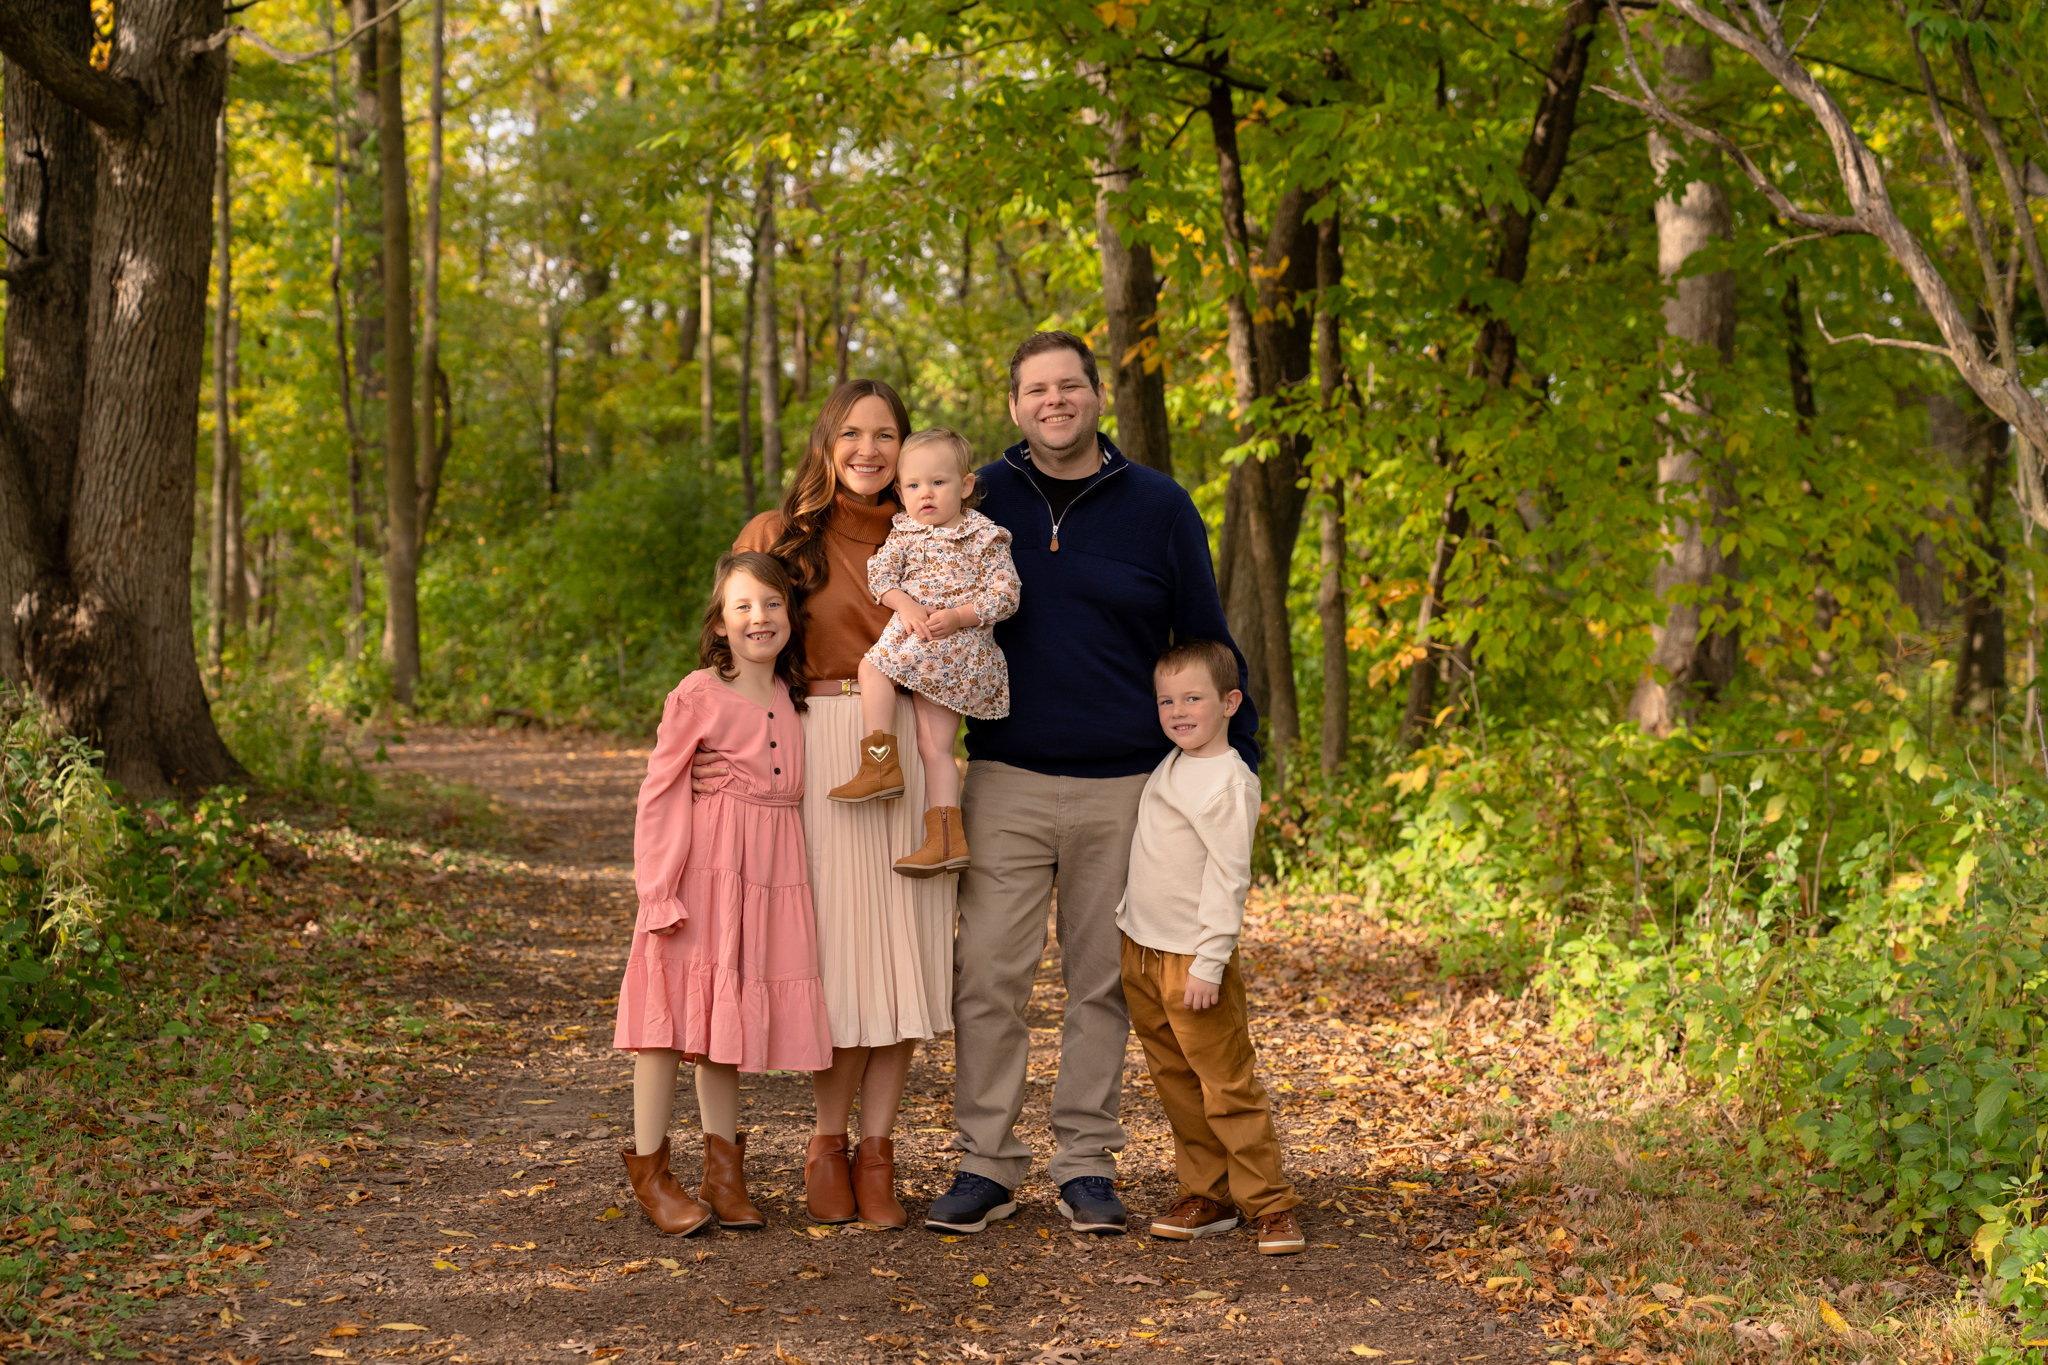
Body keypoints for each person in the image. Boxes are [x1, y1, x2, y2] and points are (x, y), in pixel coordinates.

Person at [927, 332, 1260, 1237]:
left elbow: (1204, 632)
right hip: (1006, 773)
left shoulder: (1158, 505)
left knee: (1100, 982)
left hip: (1129, 789)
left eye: (1069, 385)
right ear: (1014, 404)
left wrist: (1243, 758)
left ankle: (1085, 1163)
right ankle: (986, 1162)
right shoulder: (979, 499)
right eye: (1036, 389)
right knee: (987, 974)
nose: (1055, 401)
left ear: (1097, 393)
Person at [697, 379, 954, 1230]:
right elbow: (732, 644)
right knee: (842, 962)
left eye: (887, 435)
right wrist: (711, 752)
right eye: (853, 434)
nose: (870, 451)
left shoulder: (932, 533)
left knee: (907, 958)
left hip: (912, 744)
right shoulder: (778, 536)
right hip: (819, 745)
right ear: (826, 442)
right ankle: (826, 1140)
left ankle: (879, 1150)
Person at [613, 550, 833, 1237]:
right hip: (702, 871)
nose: (758, 618)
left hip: (768, 876)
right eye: (742, 606)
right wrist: (658, 887)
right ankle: (650, 1172)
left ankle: (724, 1172)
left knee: (721, 1026)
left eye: (771, 604)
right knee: (666, 1023)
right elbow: (660, 790)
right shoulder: (699, 692)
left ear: (791, 617)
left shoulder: (796, 700)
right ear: (720, 622)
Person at [1119, 639, 1304, 1255]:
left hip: (1192, 963)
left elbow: (1230, 878)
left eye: (1193, 697)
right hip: (1143, 952)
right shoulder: (1172, 762)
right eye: (1166, 700)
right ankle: (1208, 1193)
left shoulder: (1227, 781)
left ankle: (1270, 1204)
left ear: (1230, 702)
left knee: (1226, 1085)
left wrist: (1210, 961)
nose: (1177, 710)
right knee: (1176, 1082)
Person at [827, 427, 1021, 879]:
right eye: (913, 486)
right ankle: (931, 823)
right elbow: (881, 576)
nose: (925, 494)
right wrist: (905, 603)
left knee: (882, 680)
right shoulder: (904, 533)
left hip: (954, 650)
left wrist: (960, 615)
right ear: (900, 491)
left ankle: (892, 780)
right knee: (929, 741)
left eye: (938, 482)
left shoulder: (983, 536)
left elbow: (1007, 594)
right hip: (917, 640)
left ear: (966, 486)